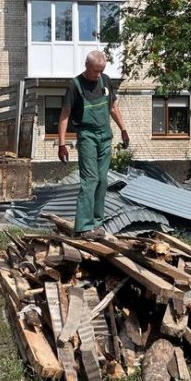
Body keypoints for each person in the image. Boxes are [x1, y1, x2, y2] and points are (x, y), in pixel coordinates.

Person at [57, 50, 130, 239]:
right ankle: (83, 226)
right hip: (87, 136)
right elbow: (64, 115)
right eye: (95, 71)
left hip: (105, 136)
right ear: (86, 65)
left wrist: (123, 129)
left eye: (101, 71)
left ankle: (97, 224)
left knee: (103, 180)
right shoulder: (75, 85)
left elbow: (113, 107)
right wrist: (62, 144)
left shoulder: (105, 80)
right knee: (89, 180)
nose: (97, 75)